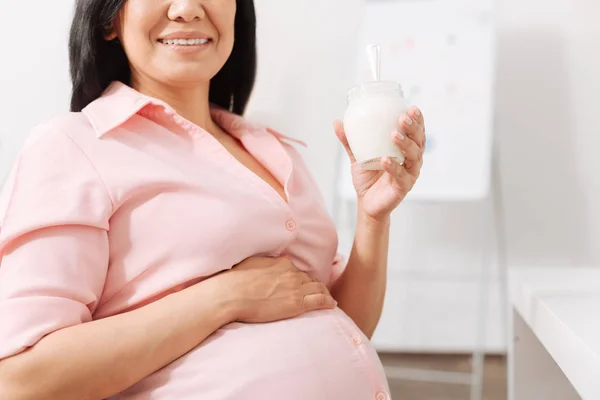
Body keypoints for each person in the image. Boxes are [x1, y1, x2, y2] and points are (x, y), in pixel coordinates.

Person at [0, 0, 425, 399]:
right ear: (110, 18)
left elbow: (346, 325)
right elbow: (21, 378)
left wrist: (374, 219)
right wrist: (226, 297)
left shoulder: (275, 151)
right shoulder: (75, 145)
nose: (187, 9)